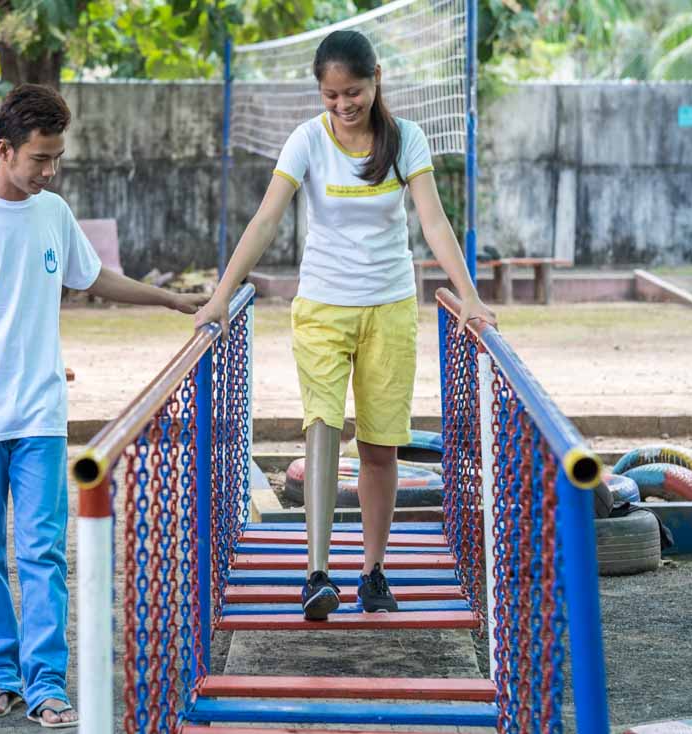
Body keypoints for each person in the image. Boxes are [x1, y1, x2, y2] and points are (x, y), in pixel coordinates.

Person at [0, 83, 206, 727]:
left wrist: (168, 299)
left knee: (42, 552)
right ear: (4, 150)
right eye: (40, 159)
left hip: (41, 416)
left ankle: (46, 682)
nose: (49, 170)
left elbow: (92, 276)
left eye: (57, 159)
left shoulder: (53, 212)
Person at [195, 30, 496, 621]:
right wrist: (219, 297)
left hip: (389, 307)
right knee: (322, 428)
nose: (342, 105)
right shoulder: (307, 139)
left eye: (352, 92)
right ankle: (316, 574)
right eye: (330, 96)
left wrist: (471, 299)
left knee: (381, 446)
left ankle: (373, 571)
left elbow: (433, 223)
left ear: (376, 78)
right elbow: (265, 219)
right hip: (323, 308)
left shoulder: (406, 138)